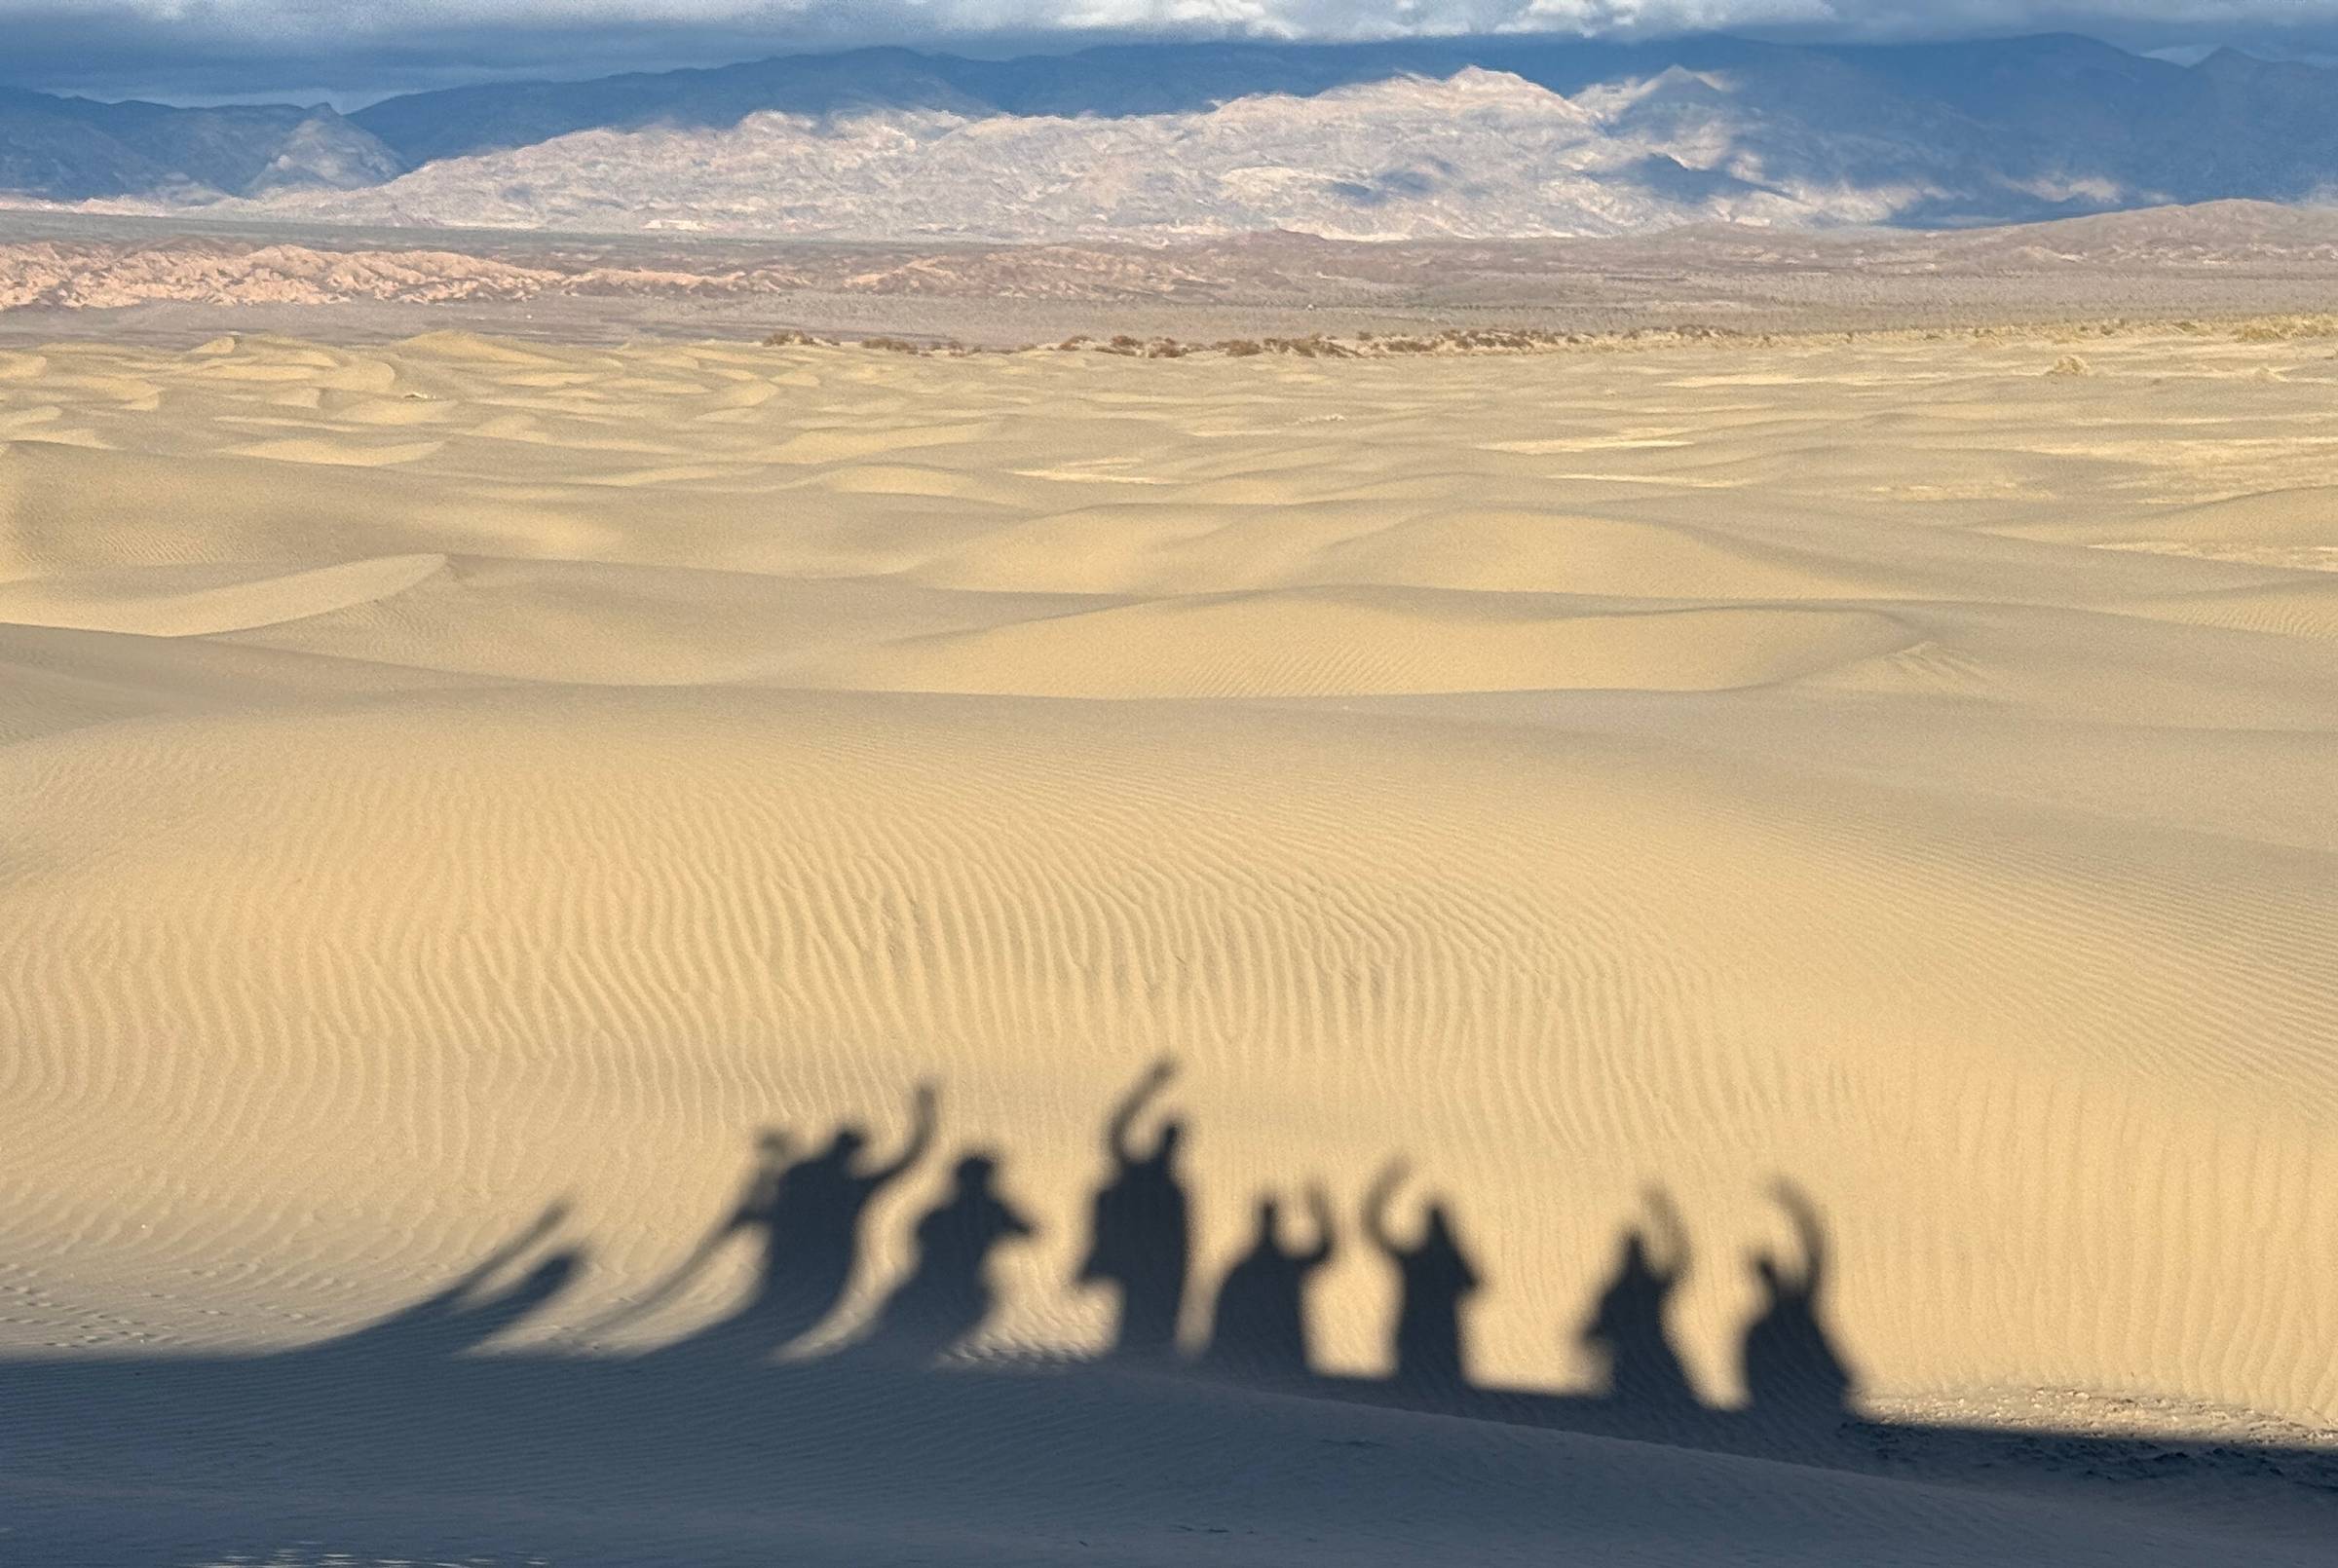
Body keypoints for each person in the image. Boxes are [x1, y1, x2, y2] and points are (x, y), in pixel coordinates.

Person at [855, 1152, 1037, 1364]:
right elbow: (1026, 1231)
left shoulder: (955, 1210)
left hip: (948, 1282)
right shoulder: (984, 1209)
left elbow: (1027, 1231)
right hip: (948, 1282)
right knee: (899, 1330)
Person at [1077, 1058, 1191, 1360]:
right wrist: (1149, 1087)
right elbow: (1116, 1129)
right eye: (1170, 1138)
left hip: (1165, 1273)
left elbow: (1183, 1240)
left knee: (1156, 1334)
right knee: (1135, 1330)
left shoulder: (1173, 1190)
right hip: (1139, 1267)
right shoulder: (1138, 1172)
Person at [1739, 1181, 1855, 1421]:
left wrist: (1798, 1209)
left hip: (1820, 1398)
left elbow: (1816, 1252)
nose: (1779, 1274)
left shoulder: (1795, 1304)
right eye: (1773, 1271)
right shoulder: (1785, 1312)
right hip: (1807, 1405)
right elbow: (1816, 1253)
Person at [1579, 1186, 1698, 1417]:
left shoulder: (1646, 1286)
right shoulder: (1620, 1291)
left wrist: (1665, 1214)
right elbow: (1599, 1327)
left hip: (1653, 1362)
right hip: (1634, 1366)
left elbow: (1681, 1256)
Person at [1363, 1159, 1479, 1392]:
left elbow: (1474, 1285)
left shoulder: (1430, 1259)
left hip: (1433, 1338)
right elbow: (1375, 1229)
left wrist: (1384, 1188)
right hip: (1423, 1337)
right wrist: (1383, 1189)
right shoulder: (1430, 1258)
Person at [1202, 1186, 1337, 1380]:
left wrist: (1321, 1211)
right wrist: (1319, 1210)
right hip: (1257, 1357)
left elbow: (1326, 1250)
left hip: (1281, 1356)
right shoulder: (1265, 1267)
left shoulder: (1270, 1266)